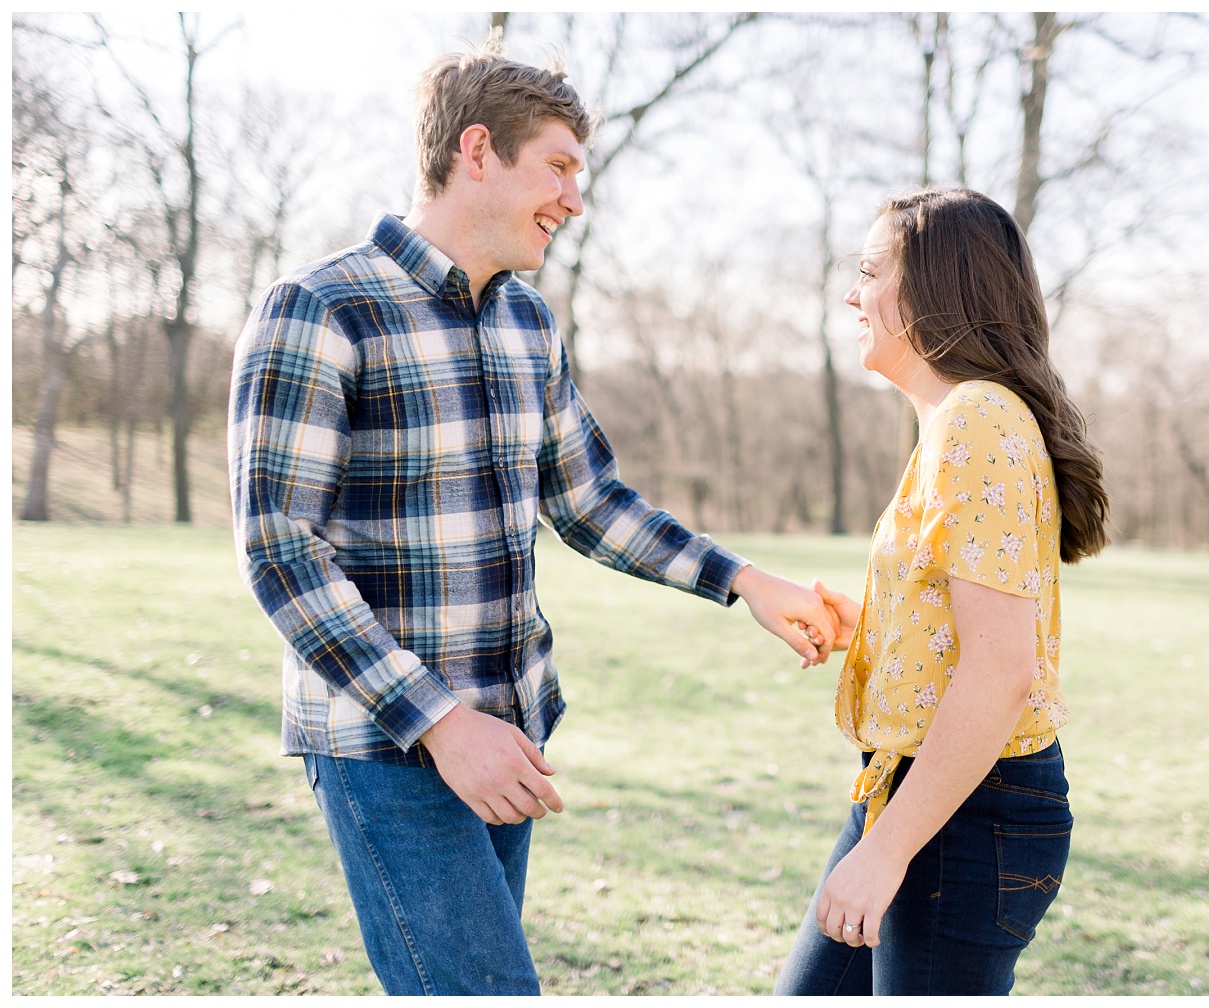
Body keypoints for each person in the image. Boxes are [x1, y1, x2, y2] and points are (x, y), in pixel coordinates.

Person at [227, 31, 833, 997]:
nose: (574, 198)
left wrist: (746, 582)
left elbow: (589, 500)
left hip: (512, 734)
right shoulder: (320, 308)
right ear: (477, 153)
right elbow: (279, 551)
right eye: (556, 166)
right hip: (391, 742)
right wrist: (438, 725)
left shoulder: (526, 322)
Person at [774, 188, 1110, 996]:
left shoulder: (978, 421)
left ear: (933, 285)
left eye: (870, 271)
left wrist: (887, 852)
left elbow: (1002, 672)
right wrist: (872, 626)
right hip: (917, 792)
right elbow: (968, 628)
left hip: (964, 817)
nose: (853, 294)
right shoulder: (963, 419)